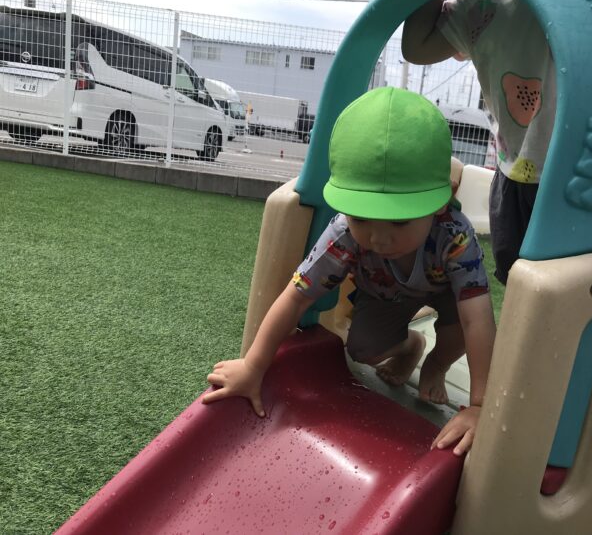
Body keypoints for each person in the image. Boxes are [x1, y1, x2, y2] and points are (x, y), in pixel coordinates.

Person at [204, 87, 496, 456]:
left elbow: (477, 317)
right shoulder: (345, 234)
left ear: (440, 203)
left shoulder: (454, 235)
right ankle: (412, 345)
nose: (379, 238)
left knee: (460, 333)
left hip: (446, 290)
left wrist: (480, 406)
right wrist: (253, 365)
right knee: (363, 350)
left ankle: (435, 362)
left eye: (400, 221)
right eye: (361, 218)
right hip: (386, 293)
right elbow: (296, 297)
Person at [401, 0, 592, 286]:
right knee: (520, 280)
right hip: (515, 168)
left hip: (586, 174)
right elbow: (417, 48)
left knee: (580, 283)